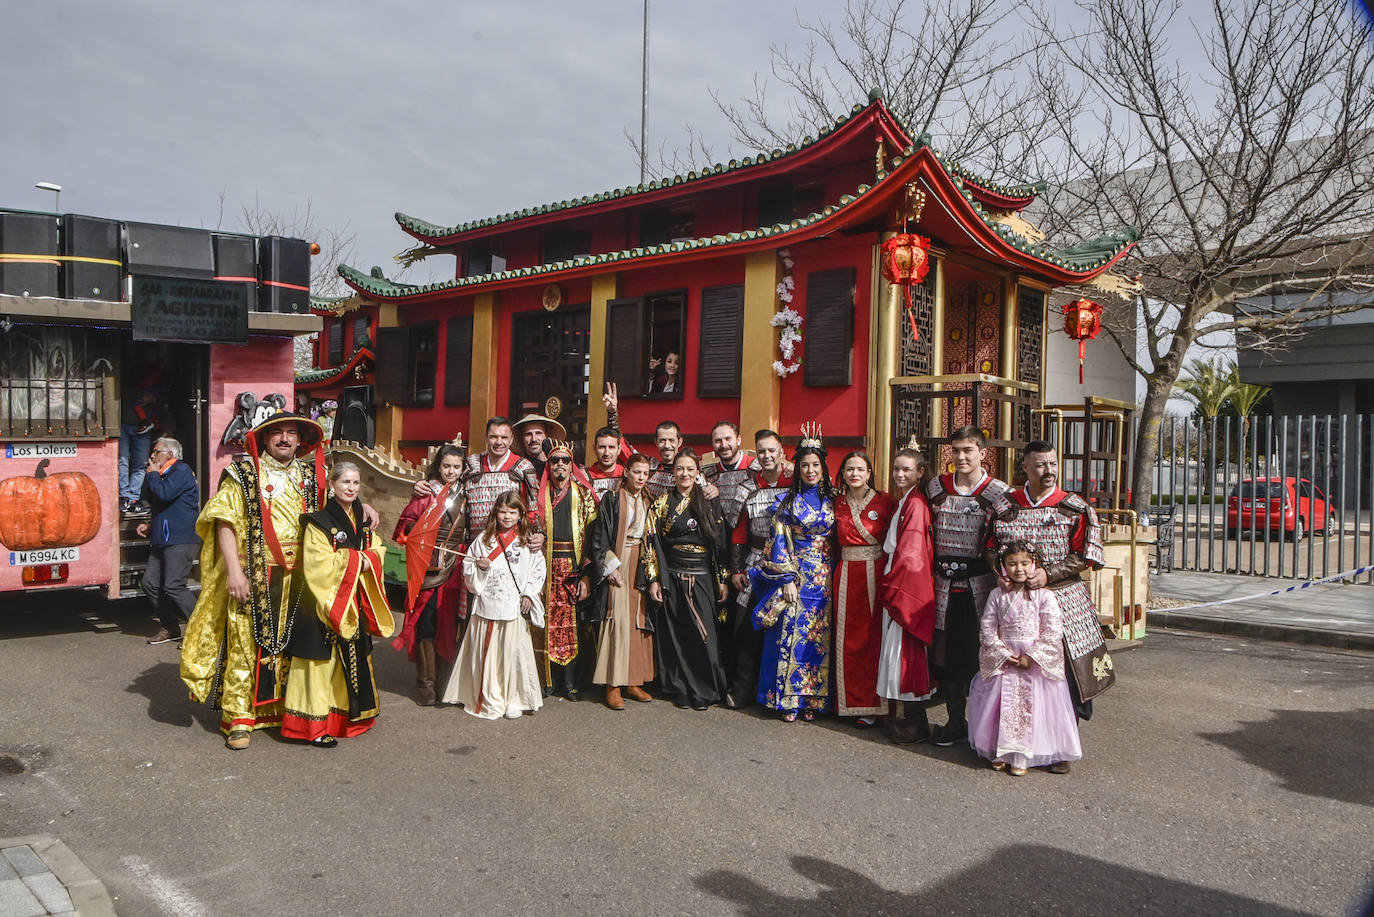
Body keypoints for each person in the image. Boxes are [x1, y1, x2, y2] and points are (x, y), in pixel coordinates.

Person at [181, 411, 361, 750]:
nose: (284, 438)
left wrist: (364, 511)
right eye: (277, 433)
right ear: (264, 439)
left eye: (291, 432)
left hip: (304, 575)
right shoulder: (242, 474)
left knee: (297, 644)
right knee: (246, 643)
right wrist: (234, 570)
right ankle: (239, 717)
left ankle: (288, 711)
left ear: (299, 439)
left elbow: (339, 504)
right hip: (256, 570)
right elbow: (225, 522)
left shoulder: (312, 475)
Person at [985, 441, 1114, 774]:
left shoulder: (1073, 507)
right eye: (1040, 464)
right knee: (1014, 675)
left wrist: (1048, 572)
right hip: (1015, 603)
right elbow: (988, 547)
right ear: (1025, 466)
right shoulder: (1004, 506)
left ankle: (1060, 746)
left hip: (1064, 598)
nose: (1049, 470)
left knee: (1066, 678)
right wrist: (999, 570)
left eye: (1053, 463)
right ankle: (1013, 742)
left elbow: (1087, 555)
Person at [282, 461, 395, 746]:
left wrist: (368, 558)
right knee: (319, 664)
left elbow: (377, 548)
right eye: (345, 482)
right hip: (322, 602)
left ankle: (345, 718)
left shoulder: (361, 516)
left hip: (350, 599)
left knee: (349, 662)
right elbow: (318, 564)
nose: (351, 488)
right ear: (332, 486)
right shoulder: (317, 522)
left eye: (356, 483)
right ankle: (313, 728)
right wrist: (360, 559)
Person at [926, 426, 1010, 747]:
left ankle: (984, 725)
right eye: (956, 450)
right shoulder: (936, 487)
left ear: (982, 453)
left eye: (968, 451)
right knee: (945, 654)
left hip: (981, 587)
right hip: (941, 586)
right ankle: (954, 720)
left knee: (981, 655)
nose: (961, 457)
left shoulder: (998, 493)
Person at [967, 541, 1082, 776]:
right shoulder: (997, 595)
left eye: (1024, 563)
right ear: (1003, 567)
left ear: (1034, 565)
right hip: (1006, 656)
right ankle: (1000, 751)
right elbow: (988, 627)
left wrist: (1033, 656)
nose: (1018, 569)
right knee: (1004, 706)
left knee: (1033, 707)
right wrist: (1001, 653)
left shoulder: (1045, 596)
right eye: (1012, 564)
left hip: (1033, 661)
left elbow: (1052, 630)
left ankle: (1023, 756)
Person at [749, 426, 835, 722]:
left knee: (818, 640)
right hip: (797, 576)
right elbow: (778, 544)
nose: (810, 470)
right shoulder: (787, 503)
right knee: (789, 637)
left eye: (815, 465)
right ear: (797, 468)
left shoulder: (835, 501)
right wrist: (786, 579)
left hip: (826, 580)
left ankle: (813, 699)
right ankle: (787, 700)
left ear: (823, 469)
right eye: (805, 465)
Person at [441, 491, 546, 719]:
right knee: (488, 654)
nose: (507, 517)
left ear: (520, 515)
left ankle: (513, 699)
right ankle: (490, 697)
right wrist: (480, 568)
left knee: (513, 653)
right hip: (487, 605)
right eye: (502, 512)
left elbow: (538, 568)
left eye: (512, 512)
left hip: (513, 605)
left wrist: (529, 593)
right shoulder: (483, 540)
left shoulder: (527, 540)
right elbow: (468, 570)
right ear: (495, 513)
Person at [643, 450, 729, 710]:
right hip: (672, 576)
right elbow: (651, 543)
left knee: (704, 636)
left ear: (697, 472)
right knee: (676, 636)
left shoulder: (709, 502)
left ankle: (706, 689)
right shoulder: (661, 504)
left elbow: (720, 544)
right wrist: (654, 579)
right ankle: (678, 687)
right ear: (673, 472)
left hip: (701, 577)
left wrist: (722, 579)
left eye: (690, 469)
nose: (684, 474)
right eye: (680, 469)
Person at [394, 442, 467, 706]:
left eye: (456, 466)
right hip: (429, 564)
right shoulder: (426, 492)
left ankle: (444, 682)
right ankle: (425, 683)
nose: (451, 471)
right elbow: (404, 525)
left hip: (457, 566)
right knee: (426, 623)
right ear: (438, 466)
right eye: (446, 465)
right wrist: (418, 529)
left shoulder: (467, 493)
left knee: (449, 625)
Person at [583, 453, 657, 710]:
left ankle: (633, 680)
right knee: (617, 620)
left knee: (638, 619)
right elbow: (599, 535)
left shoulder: (649, 499)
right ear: (626, 472)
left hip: (641, 559)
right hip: (619, 557)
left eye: (645, 473)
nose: (640, 477)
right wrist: (610, 565)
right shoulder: (612, 499)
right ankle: (613, 684)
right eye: (636, 472)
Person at [726, 429, 793, 707]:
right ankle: (742, 689)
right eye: (762, 451)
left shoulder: (795, 483)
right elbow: (739, 532)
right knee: (746, 627)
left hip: (789, 565)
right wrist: (737, 569)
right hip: (755, 562)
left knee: (787, 627)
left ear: (781, 453)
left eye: (772, 450)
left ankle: (784, 693)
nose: (767, 456)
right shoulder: (747, 488)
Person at [875, 446, 936, 744]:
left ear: (920, 472)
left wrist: (893, 585)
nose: (900, 474)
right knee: (898, 651)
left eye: (907, 470)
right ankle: (904, 716)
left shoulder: (916, 504)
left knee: (906, 652)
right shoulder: (905, 501)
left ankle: (915, 720)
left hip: (906, 582)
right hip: (897, 573)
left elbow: (911, 555)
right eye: (897, 468)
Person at [831, 451, 896, 726]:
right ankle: (846, 702)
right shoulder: (836, 503)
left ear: (869, 472)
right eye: (849, 469)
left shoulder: (885, 502)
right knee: (845, 638)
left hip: (875, 572)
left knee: (874, 638)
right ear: (843, 474)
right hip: (845, 572)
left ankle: (874, 704)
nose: (854, 474)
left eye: (860, 469)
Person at [531, 438, 598, 700]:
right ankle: (546, 681)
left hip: (572, 566)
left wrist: (586, 576)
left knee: (570, 627)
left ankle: (570, 682)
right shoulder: (538, 494)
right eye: (555, 460)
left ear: (573, 465)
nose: (560, 465)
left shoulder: (583, 495)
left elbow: (593, 537)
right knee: (543, 623)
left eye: (565, 460)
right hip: (544, 567)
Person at [138, 437, 201, 646]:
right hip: (162, 538)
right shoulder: (161, 474)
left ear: (170, 455)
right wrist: (149, 524)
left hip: (181, 538)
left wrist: (154, 475)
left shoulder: (181, 471)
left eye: (157, 451)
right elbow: (156, 502)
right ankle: (170, 626)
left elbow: (165, 494)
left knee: (174, 585)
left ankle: (200, 631)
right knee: (150, 583)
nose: (152, 455)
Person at [446, 417, 540, 544]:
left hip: (511, 544)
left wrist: (538, 534)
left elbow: (533, 508)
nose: (499, 442)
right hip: (475, 543)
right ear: (486, 437)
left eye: (504, 437)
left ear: (511, 439)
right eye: (494, 437)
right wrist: (422, 484)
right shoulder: (471, 465)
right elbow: (449, 484)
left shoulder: (523, 467)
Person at [512, 413, 567, 479]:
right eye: (528, 434)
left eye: (538, 433)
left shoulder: (558, 463)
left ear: (547, 435)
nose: (534, 439)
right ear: (522, 438)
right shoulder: (517, 468)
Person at [586, 425, 626, 501]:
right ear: (595, 449)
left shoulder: (627, 476)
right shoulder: (584, 477)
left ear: (619, 449)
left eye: (611, 447)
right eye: (602, 447)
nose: (606, 453)